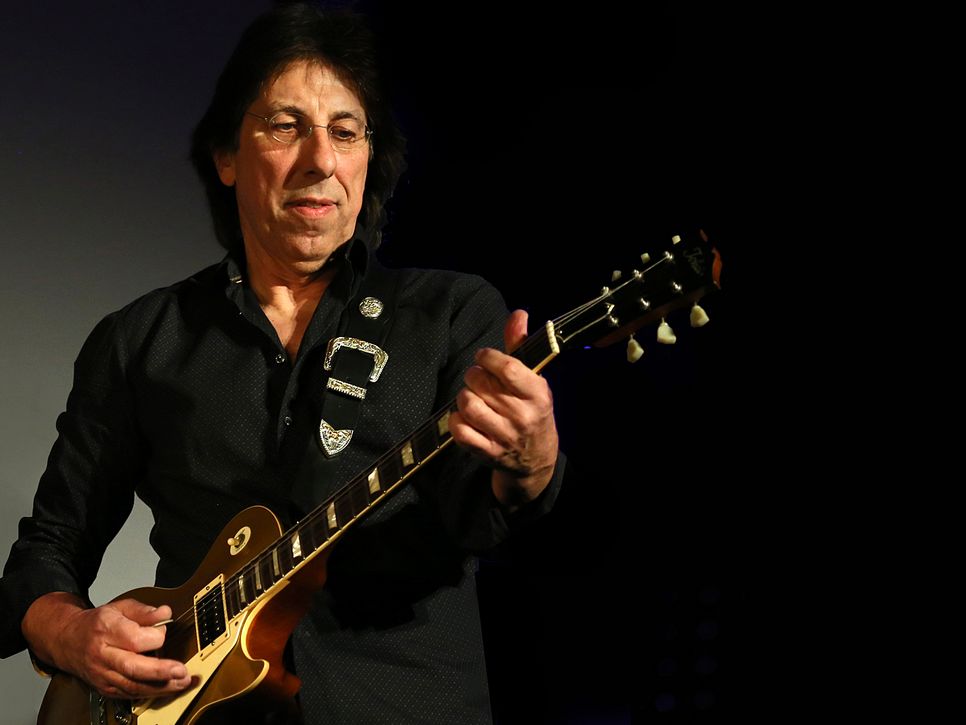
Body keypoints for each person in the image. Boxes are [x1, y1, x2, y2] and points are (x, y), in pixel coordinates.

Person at [0, 2, 566, 722]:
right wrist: (70, 634)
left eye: (345, 132)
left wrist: (530, 464)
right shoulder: (140, 339)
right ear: (226, 157)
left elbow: (485, 512)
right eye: (286, 125)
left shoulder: (450, 314)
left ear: (368, 160)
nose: (321, 159)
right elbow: (48, 547)